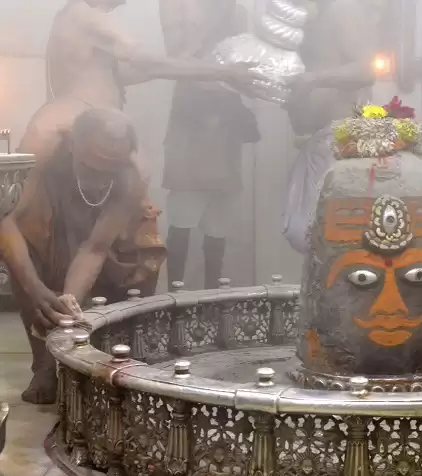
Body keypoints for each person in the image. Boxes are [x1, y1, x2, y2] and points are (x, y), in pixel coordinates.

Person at [0, 108, 166, 405]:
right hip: (42, 204)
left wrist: (66, 307)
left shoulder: (131, 178)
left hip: (99, 228)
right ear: (72, 145)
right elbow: (6, 219)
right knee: (27, 251)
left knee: (137, 260)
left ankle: (98, 355)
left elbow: (95, 248)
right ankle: (43, 365)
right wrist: (35, 289)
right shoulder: (42, 146)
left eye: (110, 170)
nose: (99, 180)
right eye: (92, 167)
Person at [19, 0, 263, 186]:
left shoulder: (76, 18)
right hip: (85, 135)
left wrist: (184, 59)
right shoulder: (87, 17)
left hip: (89, 136)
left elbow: (128, 73)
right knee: (138, 180)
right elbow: (146, 63)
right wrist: (224, 72)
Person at [160, 0, 260, 289]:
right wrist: (204, 27)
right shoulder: (177, 4)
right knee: (182, 219)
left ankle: (213, 296)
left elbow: (242, 65)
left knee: (218, 224)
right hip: (190, 128)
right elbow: (175, 60)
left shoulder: (237, 11)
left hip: (225, 131)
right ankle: (174, 297)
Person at [282, 0, 385, 253]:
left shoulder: (344, 8)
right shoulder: (307, 20)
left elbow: (365, 69)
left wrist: (313, 79)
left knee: (340, 238)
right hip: (320, 142)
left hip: (343, 143)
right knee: (309, 236)